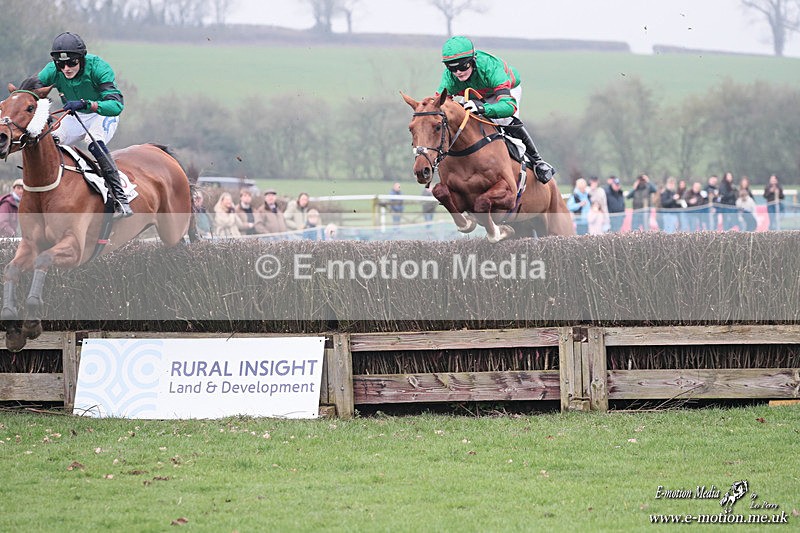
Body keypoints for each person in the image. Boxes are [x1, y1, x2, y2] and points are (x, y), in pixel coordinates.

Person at [436, 35, 555, 184]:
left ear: (472, 60)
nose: (458, 72)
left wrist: (483, 108)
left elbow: (508, 107)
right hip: (475, 93)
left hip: (504, 90)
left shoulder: (490, 67)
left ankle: (537, 161)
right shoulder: (449, 77)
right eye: (452, 68)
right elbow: (438, 105)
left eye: (463, 66)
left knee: (505, 120)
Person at [38, 32, 131, 218]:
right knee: (49, 140)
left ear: (81, 58)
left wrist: (87, 104)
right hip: (73, 115)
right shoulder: (51, 70)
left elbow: (116, 106)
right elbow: (30, 92)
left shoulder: (99, 68)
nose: (66, 68)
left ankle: (121, 198)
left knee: (93, 141)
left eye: (72, 63)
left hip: (101, 114)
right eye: (61, 64)